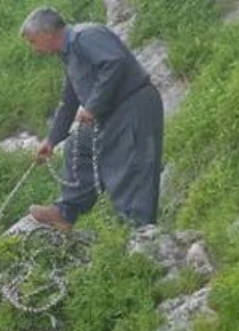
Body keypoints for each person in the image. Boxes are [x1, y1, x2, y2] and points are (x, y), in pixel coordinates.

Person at [21, 7, 163, 230]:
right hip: (111, 113)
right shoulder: (68, 54)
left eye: (32, 41)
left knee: (132, 169)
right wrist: (51, 141)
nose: (34, 48)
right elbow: (69, 100)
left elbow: (114, 63)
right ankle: (65, 213)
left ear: (46, 33)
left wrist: (93, 106)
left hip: (133, 106)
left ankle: (139, 233)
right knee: (78, 148)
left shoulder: (86, 36)